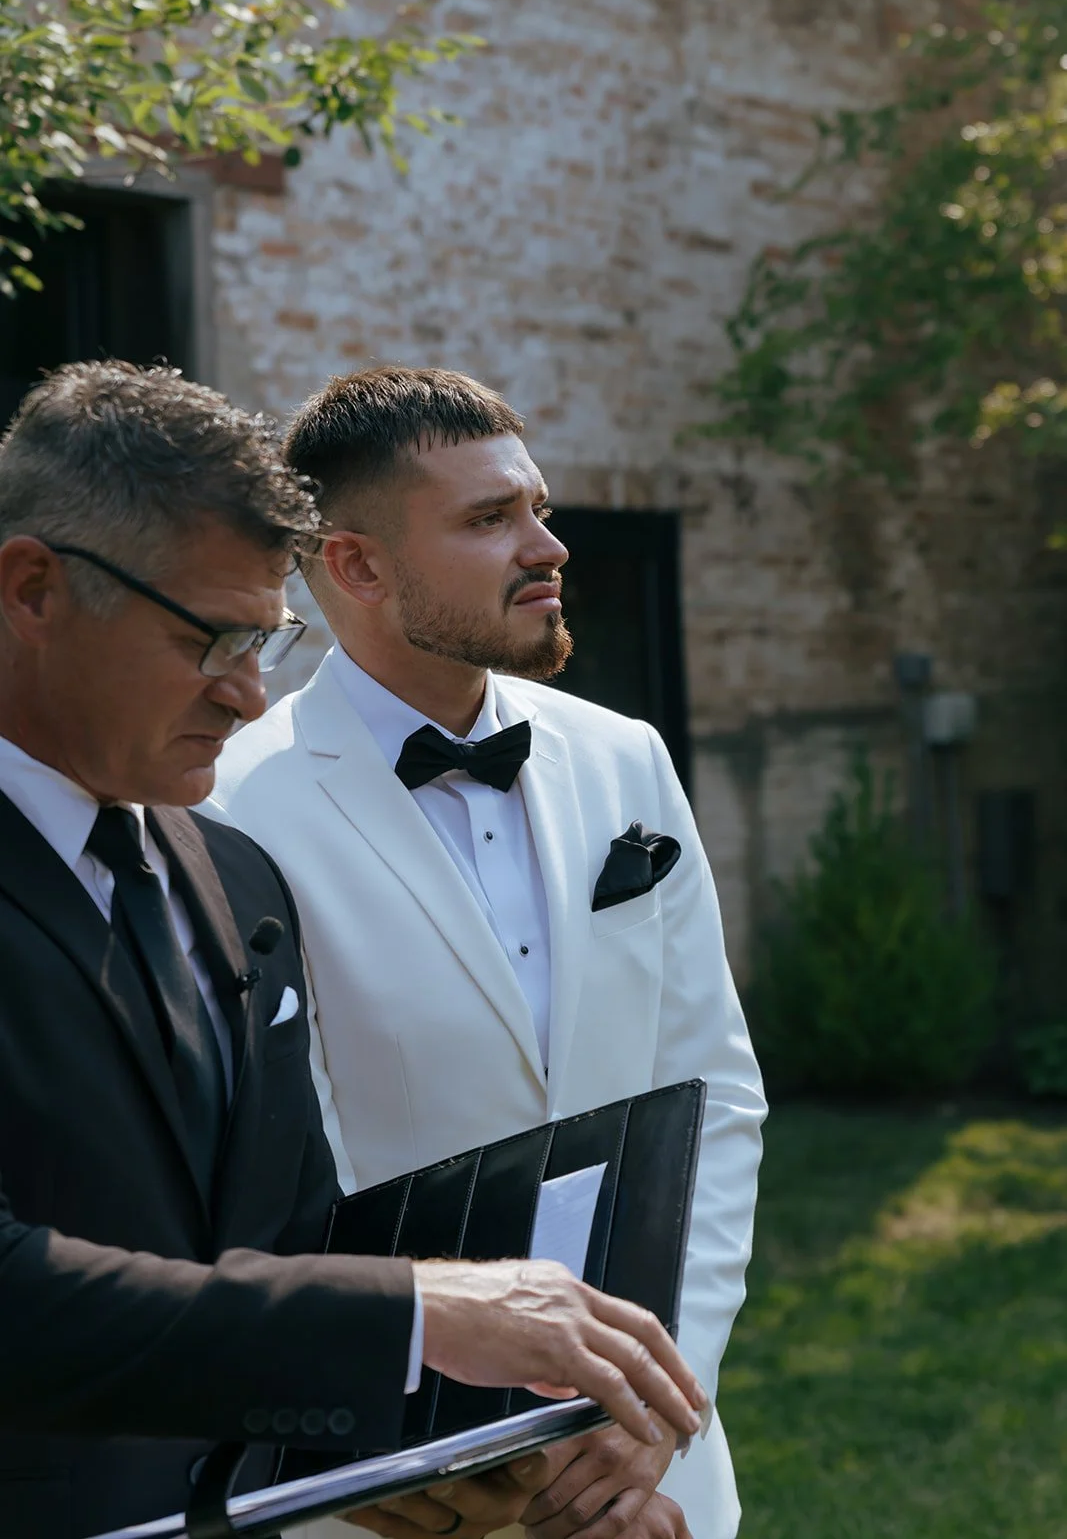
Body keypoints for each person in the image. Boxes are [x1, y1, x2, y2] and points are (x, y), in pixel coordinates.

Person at [0, 361, 708, 1539]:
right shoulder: (255, 814)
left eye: (265, 645)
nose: (241, 698)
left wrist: (445, 1464)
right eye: (212, 639)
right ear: (33, 590)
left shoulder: (222, 875)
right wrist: (417, 1319)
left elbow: (269, 1239)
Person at [211, 366, 768, 1539]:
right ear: (356, 566)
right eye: (488, 519)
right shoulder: (228, 812)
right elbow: (254, 1186)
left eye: (539, 508)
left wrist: (660, 1398)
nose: (546, 545)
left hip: (645, 1469)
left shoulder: (626, 760)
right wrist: (382, 1442)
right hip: (389, 1486)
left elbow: (712, 1091)